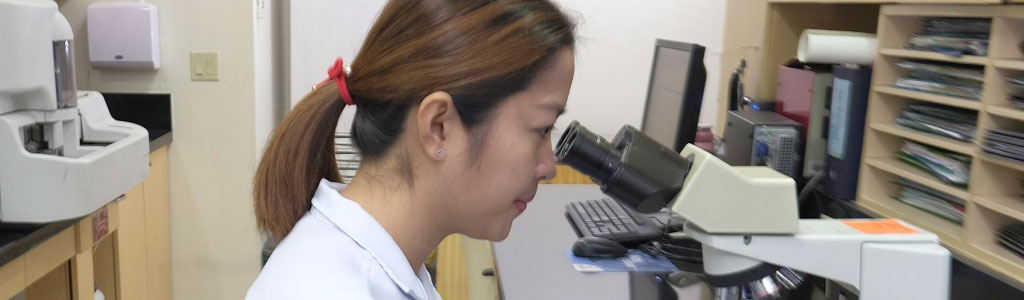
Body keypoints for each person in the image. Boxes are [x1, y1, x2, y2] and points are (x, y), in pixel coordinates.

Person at [245, 0, 576, 299]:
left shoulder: (385, 261)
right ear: (438, 128)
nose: (548, 167)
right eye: (542, 128)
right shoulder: (334, 290)